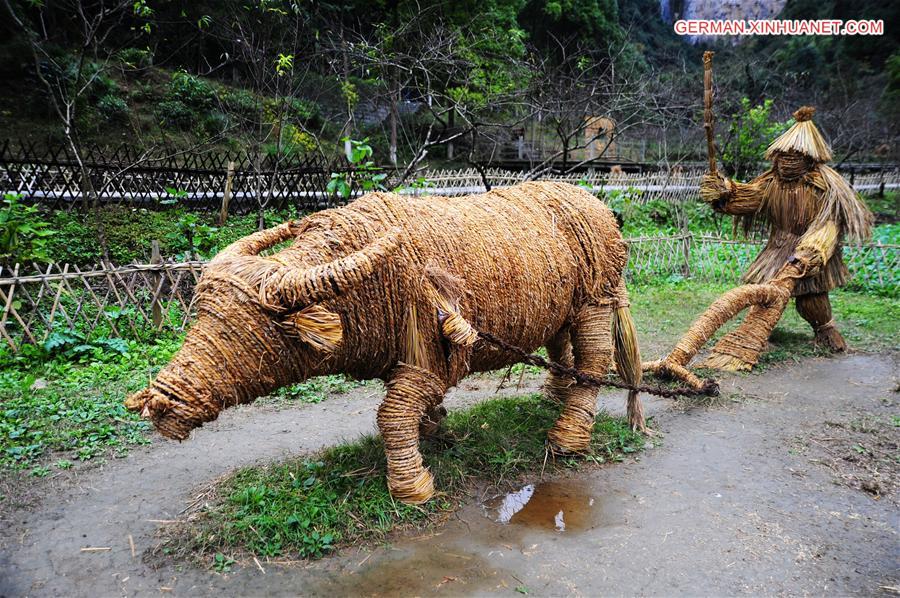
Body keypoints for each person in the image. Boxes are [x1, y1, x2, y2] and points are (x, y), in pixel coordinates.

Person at [699, 106, 872, 362]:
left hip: (808, 247)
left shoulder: (824, 187)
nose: (788, 161)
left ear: (810, 158)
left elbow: (830, 222)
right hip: (778, 247)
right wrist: (724, 193)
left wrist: (814, 249)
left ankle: (824, 330)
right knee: (763, 291)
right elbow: (747, 199)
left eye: (795, 156)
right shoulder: (771, 184)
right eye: (783, 156)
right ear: (776, 157)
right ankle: (757, 331)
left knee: (811, 297)